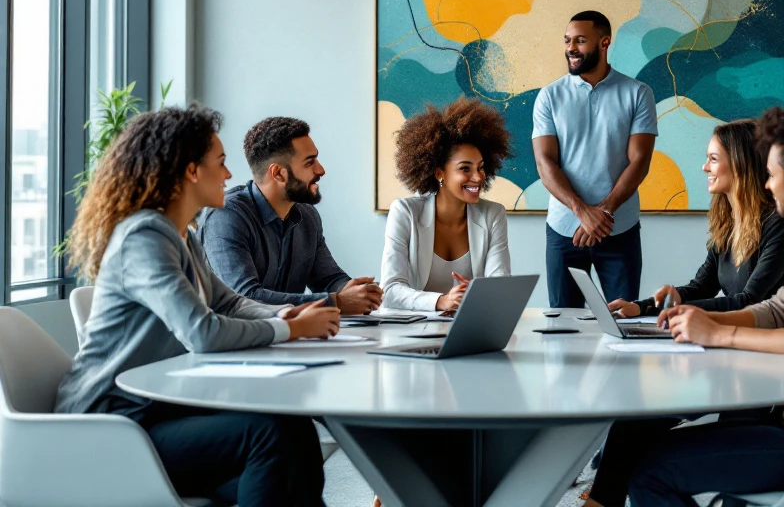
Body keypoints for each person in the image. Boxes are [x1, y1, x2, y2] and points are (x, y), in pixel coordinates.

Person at [584, 105, 784, 507]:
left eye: (772, 176)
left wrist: (721, 332)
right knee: (640, 444)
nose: (767, 185)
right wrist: (700, 319)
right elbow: (777, 308)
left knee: (649, 471)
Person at [55, 105, 341, 507]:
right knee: (271, 434)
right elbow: (202, 332)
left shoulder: (181, 235)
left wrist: (284, 314)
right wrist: (291, 329)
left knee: (290, 435)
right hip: (112, 423)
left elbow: (229, 302)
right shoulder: (144, 236)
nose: (228, 174)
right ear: (192, 171)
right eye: (220, 163)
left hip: (158, 411)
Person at [607, 119, 784, 318]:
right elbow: (703, 286)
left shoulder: (783, 222)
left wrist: (673, 311)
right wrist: (642, 307)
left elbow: (749, 301)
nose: (705, 167)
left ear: (740, 164)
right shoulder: (728, 222)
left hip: (776, 339)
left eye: (714, 159)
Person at [532, 10, 658, 307]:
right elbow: (544, 162)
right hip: (564, 230)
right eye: (567, 41)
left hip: (620, 229)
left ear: (604, 42)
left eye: (580, 40)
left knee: (626, 321)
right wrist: (582, 211)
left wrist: (604, 212)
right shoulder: (549, 96)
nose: (571, 48)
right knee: (564, 327)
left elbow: (639, 161)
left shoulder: (638, 93)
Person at [198, 116, 382, 314]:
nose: (321, 170)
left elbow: (328, 279)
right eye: (309, 163)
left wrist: (356, 291)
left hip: (290, 338)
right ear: (278, 173)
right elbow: (245, 298)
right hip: (235, 341)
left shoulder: (308, 216)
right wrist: (337, 302)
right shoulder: (226, 216)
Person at [381, 97, 513, 311]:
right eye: (465, 168)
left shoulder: (493, 214)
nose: (478, 177)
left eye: (480, 167)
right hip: (412, 331)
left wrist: (479, 292)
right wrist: (442, 301)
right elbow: (390, 290)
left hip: (469, 327)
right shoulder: (405, 212)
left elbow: (500, 285)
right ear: (439, 172)